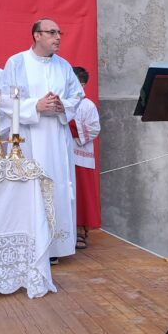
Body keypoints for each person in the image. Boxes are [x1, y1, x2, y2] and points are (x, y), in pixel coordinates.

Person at [0, 18, 84, 263]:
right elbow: (4, 98)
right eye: (52, 32)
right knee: (31, 186)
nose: (58, 37)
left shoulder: (64, 66)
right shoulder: (16, 62)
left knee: (57, 185)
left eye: (59, 33)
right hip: (29, 136)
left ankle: (55, 247)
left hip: (56, 136)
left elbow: (77, 95)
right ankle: (31, 244)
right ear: (37, 35)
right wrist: (35, 105)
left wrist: (60, 105)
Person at [70, 66, 101, 249]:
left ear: (81, 84)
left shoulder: (87, 105)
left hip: (80, 156)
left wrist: (71, 126)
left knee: (81, 193)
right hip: (63, 154)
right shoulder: (63, 102)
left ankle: (81, 229)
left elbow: (95, 128)